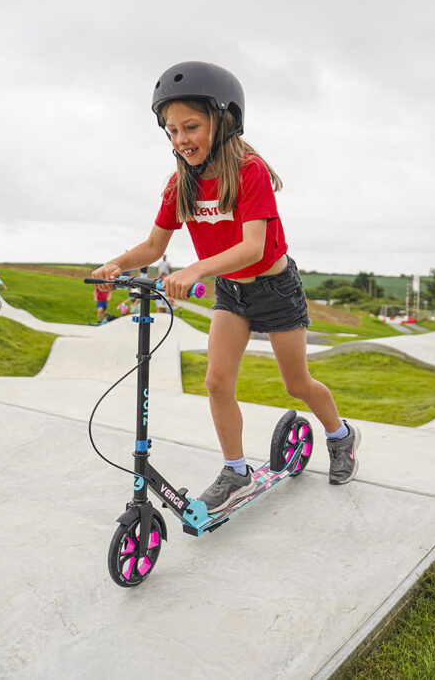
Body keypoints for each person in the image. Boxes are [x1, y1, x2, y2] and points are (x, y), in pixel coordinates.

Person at [91, 61, 360, 513]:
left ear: (224, 120)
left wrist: (196, 269)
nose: (181, 140)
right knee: (217, 382)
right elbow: (155, 246)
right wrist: (117, 263)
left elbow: (253, 247)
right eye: (172, 130)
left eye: (191, 126)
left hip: (275, 288)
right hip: (232, 295)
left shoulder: (249, 172)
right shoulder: (180, 185)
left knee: (296, 384)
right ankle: (236, 471)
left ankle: (341, 435)